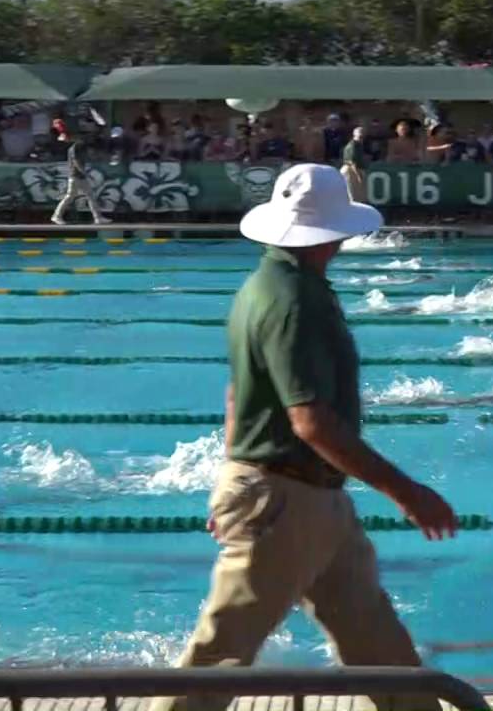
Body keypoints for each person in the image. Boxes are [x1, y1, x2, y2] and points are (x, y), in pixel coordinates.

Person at [149, 163, 456, 711]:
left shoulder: (268, 286)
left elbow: (236, 394)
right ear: (336, 230)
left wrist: (233, 474)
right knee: (218, 660)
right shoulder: (295, 301)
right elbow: (310, 420)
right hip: (285, 502)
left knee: (378, 645)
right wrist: (408, 493)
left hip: (307, 497)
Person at [51, 127, 110, 225]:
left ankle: (98, 218)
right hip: (76, 176)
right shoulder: (75, 148)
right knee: (72, 196)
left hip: (78, 176)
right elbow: (76, 161)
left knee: (87, 195)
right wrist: (83, 172)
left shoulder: (80, 147)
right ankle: (56, 216)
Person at [341, 126, 369, 202]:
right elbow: (353, 162)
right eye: (360, 133)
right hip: (351, 170)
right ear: (354, 134)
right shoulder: (353, 145)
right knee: (353, 195)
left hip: (356, 169)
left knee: (360, 196)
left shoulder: (360, 145)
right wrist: (358, 176)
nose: (362, 136)